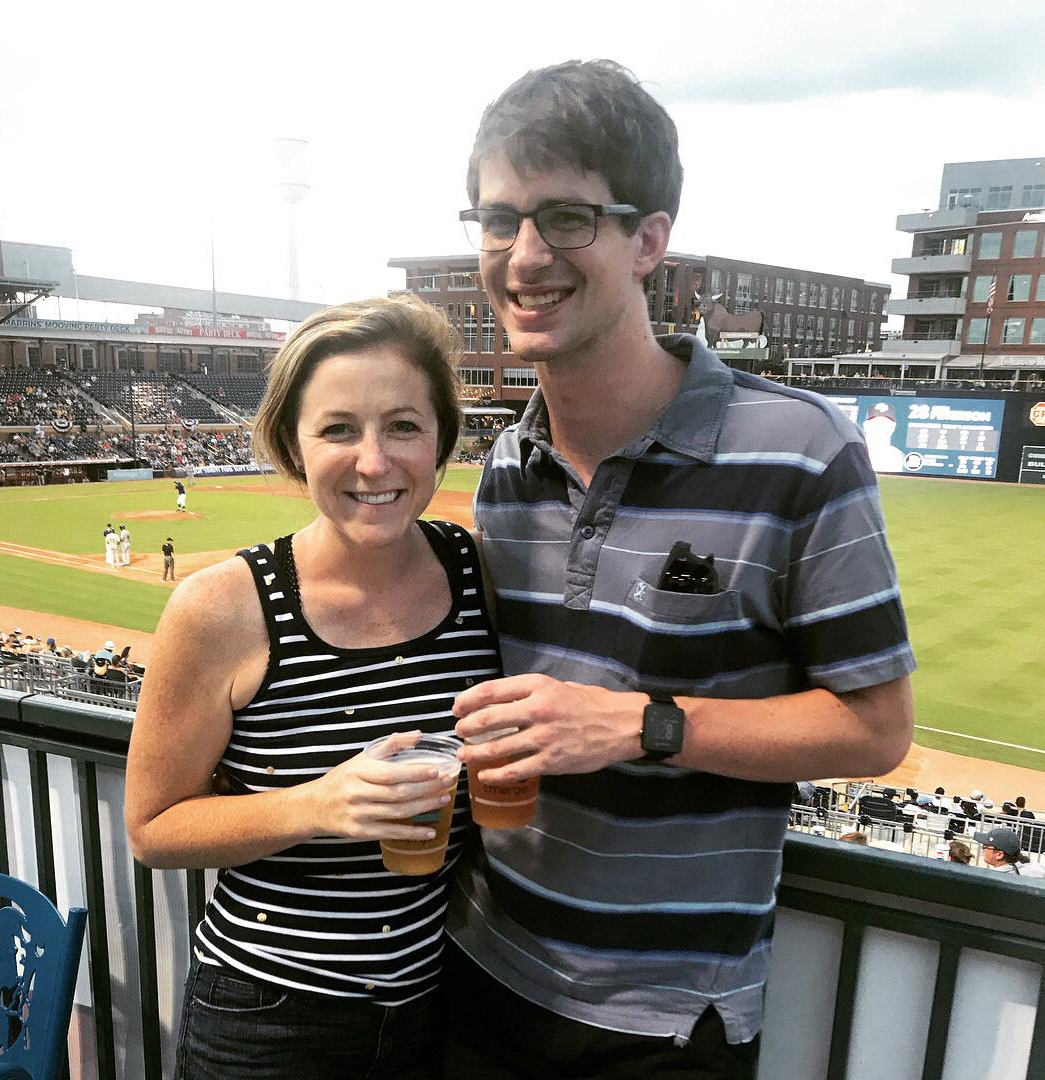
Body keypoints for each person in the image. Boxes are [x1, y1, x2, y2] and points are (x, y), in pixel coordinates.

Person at [444, 60, 916, 1080]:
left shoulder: (800, 448)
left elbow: (877, 731)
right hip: (479, 971)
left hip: (662, 1024)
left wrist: (640, 724)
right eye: (496, 218)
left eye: (567, 217)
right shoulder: (506, 472)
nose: (524, 256)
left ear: (648, 239)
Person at [124, 295, 501, 1080]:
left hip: (439, 1006)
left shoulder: (476, 575)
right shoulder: (223, 606)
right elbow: (152, 829)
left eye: (403, 425)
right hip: (269, 1022)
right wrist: (318, 804)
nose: (374, 461)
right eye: (338, 429)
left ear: (441, 442)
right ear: (294, 447)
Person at [974, 827, 1045, 879]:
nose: (983, 849)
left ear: (999, 855)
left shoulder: (991, 879)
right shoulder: (1037, 869)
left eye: (985, 846)